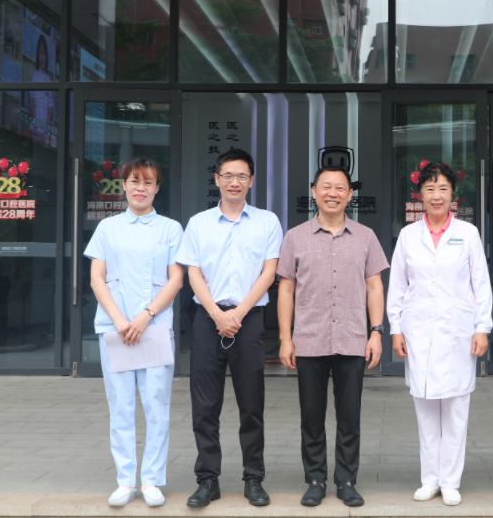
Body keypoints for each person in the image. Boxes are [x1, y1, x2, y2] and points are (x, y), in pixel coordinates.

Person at [176, 148, 282, 508]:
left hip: (248, 320)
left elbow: (269, 272)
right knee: (205, 405)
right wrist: (217, 314)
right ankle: (208, 479)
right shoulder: (199, 223)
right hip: (207, 320)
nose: (234, 182)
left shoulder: (267, 221)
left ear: (251, 181)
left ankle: (254, 479)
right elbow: (193, 273)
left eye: (241, 176)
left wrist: (238, 313)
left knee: (251, 404)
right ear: (217, 179)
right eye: (228, 175)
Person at [277, 166, 389, 508]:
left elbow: (374, 287)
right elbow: (286, 290)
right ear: (314, 191)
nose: (333, 193)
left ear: (350, 195)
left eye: (340, 187)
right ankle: (315, 480)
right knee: (311, 416)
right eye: (326, 186)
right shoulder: (295, 237)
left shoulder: (366, 236)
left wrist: (376, 332)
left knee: (349, 416)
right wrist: (285, 338)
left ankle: (346, 481)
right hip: (309, 339)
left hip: (352, 339)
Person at [388, 163, 493, 507]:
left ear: (453, 195)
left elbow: (481, 284)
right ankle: (429, 479)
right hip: (419, 332)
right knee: (425, 410)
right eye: (430, 189)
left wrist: (482, 327)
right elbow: (398, 286)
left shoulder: (468, 233)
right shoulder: (408, 235)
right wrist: (395, 328)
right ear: (420, 194)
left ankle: (450, 481)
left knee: (456, 411)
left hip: (459, 333)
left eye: (443, 188)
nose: (437, 196)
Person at [84, 158, 184, 508]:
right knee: (121, 406)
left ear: (157, 188)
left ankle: (152, 479)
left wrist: (145, 317)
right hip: (116, 329)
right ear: (124, 185)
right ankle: (125, 481)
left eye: (148, 182)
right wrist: (119, 319)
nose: (141, 188)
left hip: (154, 328)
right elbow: (97, 278)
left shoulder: (170, 228)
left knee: (156, 405)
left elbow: (176, 279)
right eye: (134, 181)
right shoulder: (107, 228)